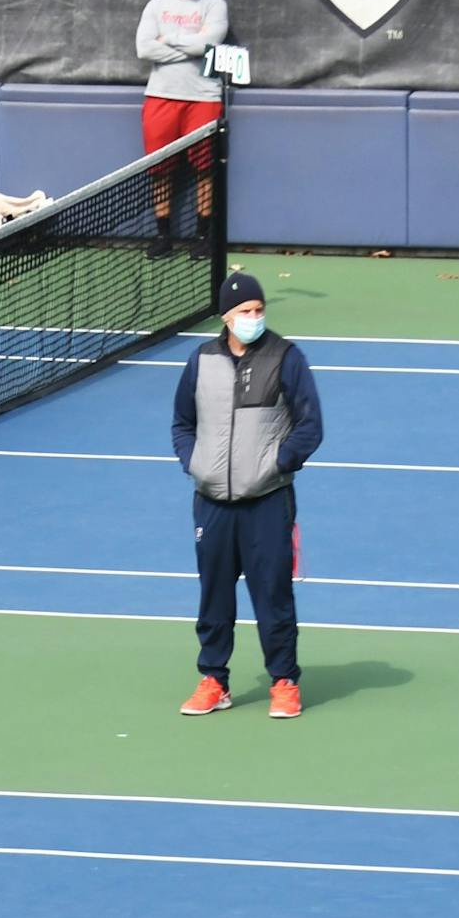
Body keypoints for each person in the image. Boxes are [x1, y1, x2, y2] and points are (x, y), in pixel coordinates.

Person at [172, 273, 323, 719]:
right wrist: (194, 462)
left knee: (273, 595)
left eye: (259, 310)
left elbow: (310, 426)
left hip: (268, 502)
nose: (254, 318)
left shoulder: (286, 358)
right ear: (226, 317)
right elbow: (182, 423)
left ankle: (283, 681)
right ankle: (214, 681)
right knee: (214, 596)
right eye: (245, 312)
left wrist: (277, 464)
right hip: (212, 502)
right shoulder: (201, 361)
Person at [136, 0, 228, 260]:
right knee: (160, 169)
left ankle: (203, 237)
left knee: (205, 169)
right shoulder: (156, 5)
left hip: (203, 98)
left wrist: (169, 39)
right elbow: (144, 49)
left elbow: (211, 43)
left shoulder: (215, 5)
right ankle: (163, 236)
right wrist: (191, 44)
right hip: (160, 97)